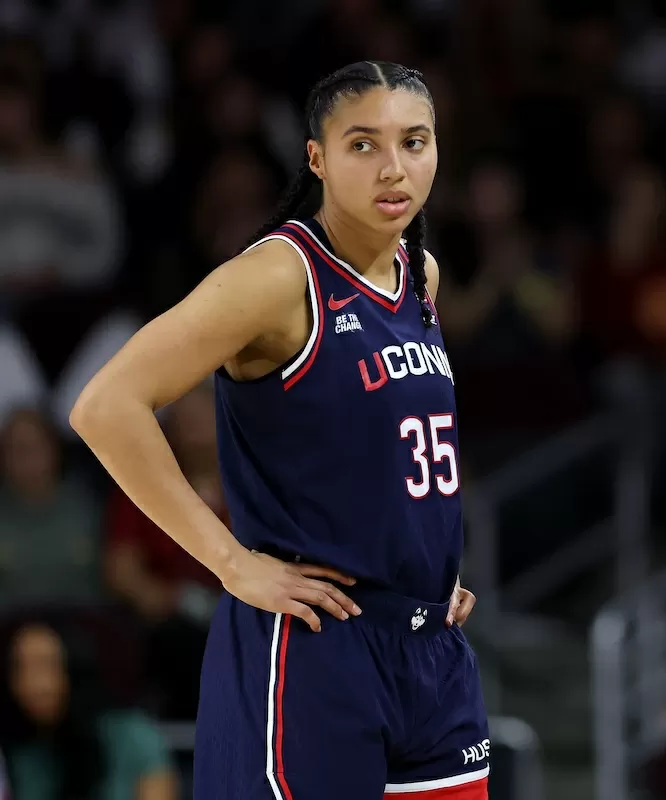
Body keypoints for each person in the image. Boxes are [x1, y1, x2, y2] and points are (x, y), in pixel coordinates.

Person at [70, 62, 490, 798]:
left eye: (414, 141)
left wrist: (430, 567)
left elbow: (388, 446)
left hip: (429, 646)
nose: (393, 167)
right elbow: (104, 405)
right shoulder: (278, 275)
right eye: (363, 144)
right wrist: (231, 564)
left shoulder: (419, 274)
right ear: (317, 158)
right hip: (316, 646)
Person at [0, 617, 178, 800]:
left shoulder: (132, 736)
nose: (32, 683)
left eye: (45, 664)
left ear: (74, 667)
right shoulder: (19, 753)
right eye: (19, 668)